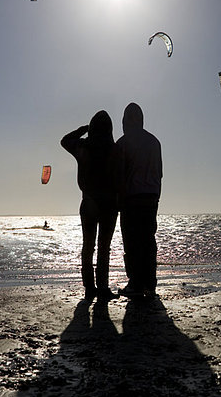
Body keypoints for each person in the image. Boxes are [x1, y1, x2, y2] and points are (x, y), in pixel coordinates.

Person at [61, 111, 118, 303]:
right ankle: (102, 287)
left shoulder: (83, 146)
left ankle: (89, 287)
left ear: (92, 128)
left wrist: (83, 129)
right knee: (104, 247)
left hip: (89, 202)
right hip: (110, 203)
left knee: (88, 246)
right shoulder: (114, 149)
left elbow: (65, 140)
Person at [116, 103, 162, 298]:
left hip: (131, 198)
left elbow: (118, 174)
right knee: (148, 241)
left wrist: (118, 199)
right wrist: (156, 196)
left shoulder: (123, 143)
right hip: (150, 197)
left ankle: (135, 283)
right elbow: (159, 174)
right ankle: (150, 284)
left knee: (132, 242)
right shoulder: (154, 142)